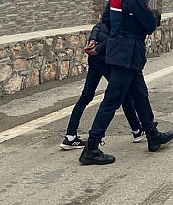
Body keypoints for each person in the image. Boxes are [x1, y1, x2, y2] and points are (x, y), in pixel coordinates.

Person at [79, 0, 173, 165]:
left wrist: (103, 46)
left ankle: (152, 135)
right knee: (112, 100)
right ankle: (91, 148)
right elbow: (150, 24)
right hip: (128, 54)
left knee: (140, 94)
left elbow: (107, 22)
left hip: (121, 51)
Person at [60, 15, 145, 150]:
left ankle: (70, 136)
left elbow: (97, 27)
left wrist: (93, 39)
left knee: (86, 96)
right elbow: (114, 40)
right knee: (123, 95)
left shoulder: (109, 16)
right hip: (107, 60)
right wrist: (99, 48)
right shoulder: (123, 20)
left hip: (94, 59)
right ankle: (137, 130)